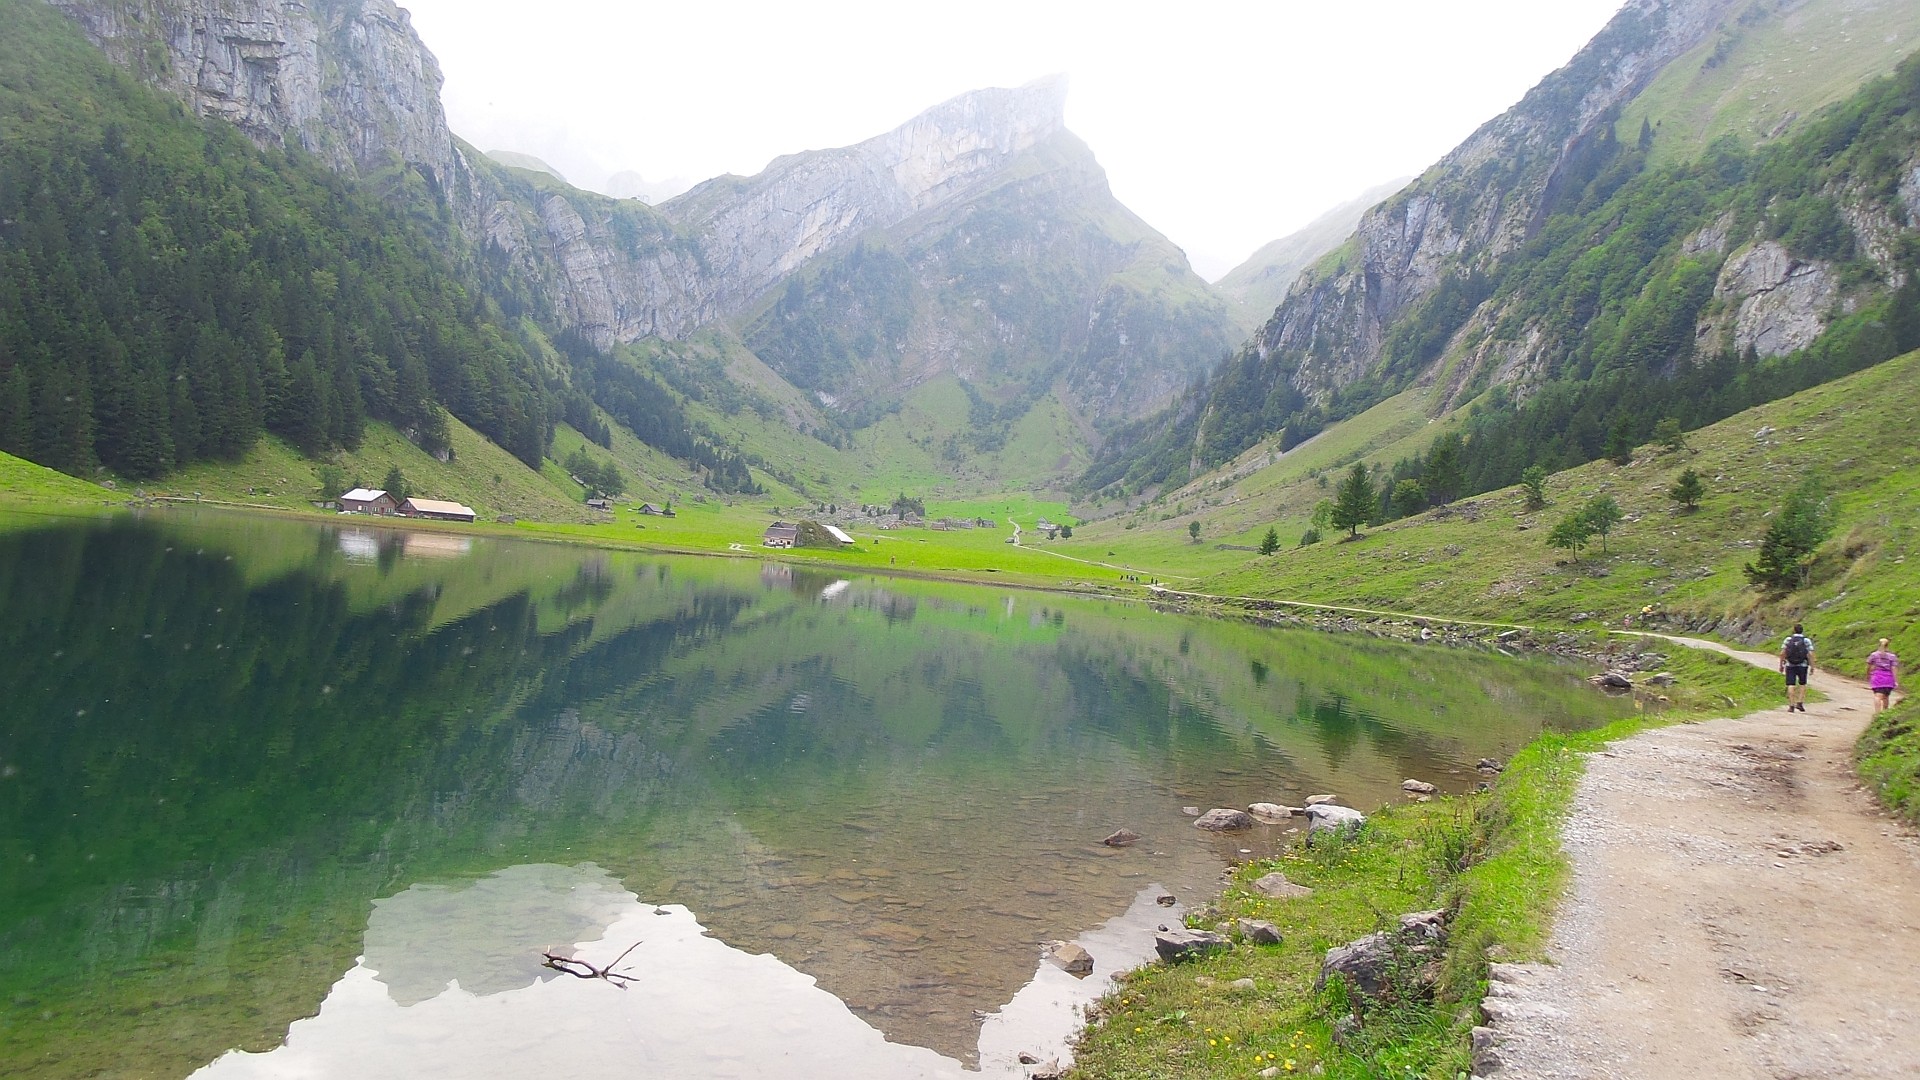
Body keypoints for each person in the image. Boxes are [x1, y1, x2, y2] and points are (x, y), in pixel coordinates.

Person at [1779, 624, 1815, 712]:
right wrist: (1812, 666)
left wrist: (1781, 664)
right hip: (1803, 665)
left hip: (1790, 664)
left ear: (1794, 630)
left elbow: (1782, 653)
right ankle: (1800, 703)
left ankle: (1791, 705)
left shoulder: (1788, 640)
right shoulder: (1806, 641)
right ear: (1802, 631)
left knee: (1791, 684)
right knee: (1802, 683)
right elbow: (1810, 654)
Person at [1867, 638, 1899, 713]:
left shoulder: (1874, 655)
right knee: (1886, 697)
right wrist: (1896, 680)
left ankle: (1877, 713)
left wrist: (1868, 675)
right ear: (1888, 645)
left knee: (1877, 696)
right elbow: (1894, 668)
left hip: (1877, 677)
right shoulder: (1892, 656)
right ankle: (1884, 713)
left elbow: (1869, 666)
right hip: (1888, 678)